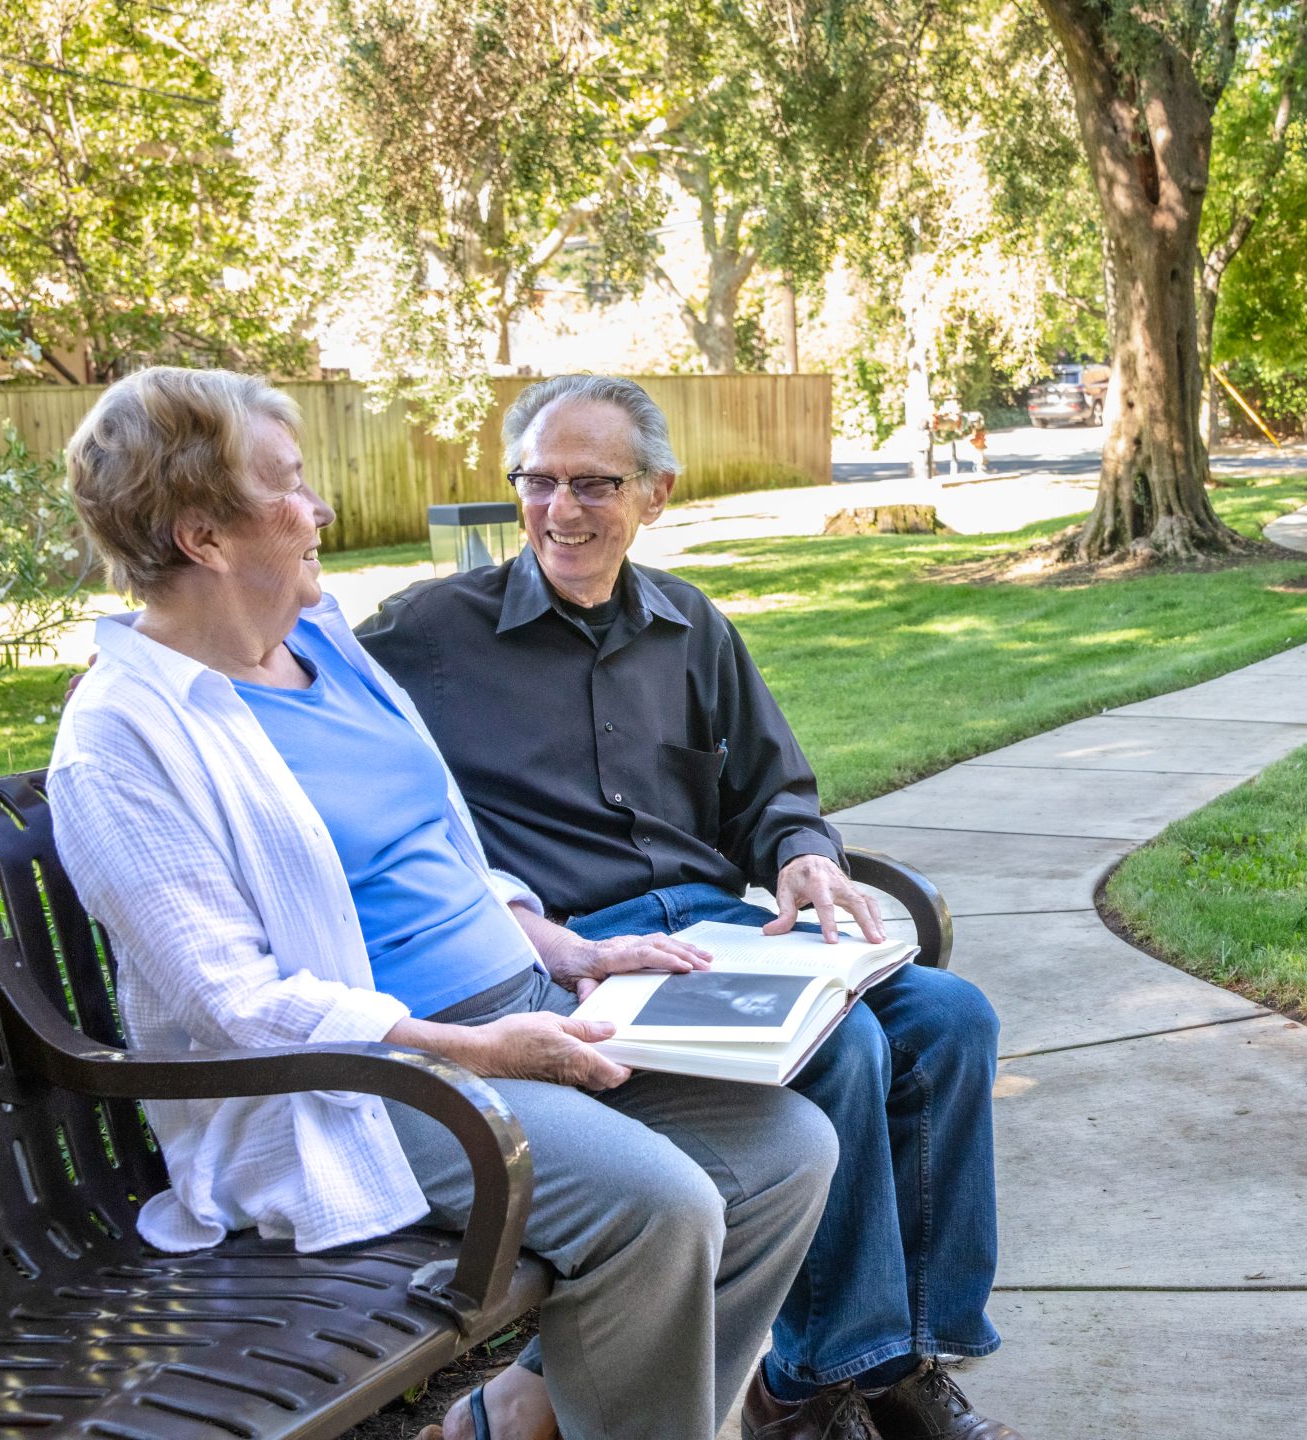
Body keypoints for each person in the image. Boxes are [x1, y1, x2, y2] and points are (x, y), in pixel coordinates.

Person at [49, 368, 837, 1440]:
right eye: (287, 485)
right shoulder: (122, 739)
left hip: (519, 1005)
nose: (320, 508)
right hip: (371, 1085)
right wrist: (471, 1053)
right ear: (205, 536)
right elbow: (235, 999)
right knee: (663, 1205)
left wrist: (558, 945)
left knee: (788, 1150)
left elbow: (439, 839)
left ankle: (565, 1418)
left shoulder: (324, 648)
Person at [358, 374, 1022, 1440]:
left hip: (718, 937)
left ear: (655, 494)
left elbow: (774, 795)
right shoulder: (431, 634)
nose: (560, 510)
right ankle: (826, 1383)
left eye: (593, 484)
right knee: (844, 1048)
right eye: (538, 481)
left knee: (952, 1022)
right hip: (588, 963)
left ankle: (885, 1365)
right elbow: (308, 717)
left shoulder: (690, 626)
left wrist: (802, 855)